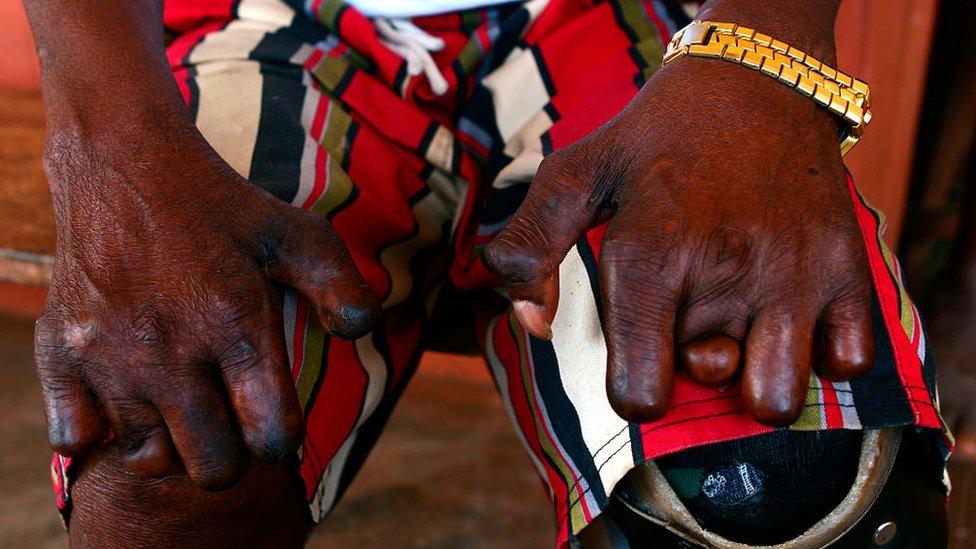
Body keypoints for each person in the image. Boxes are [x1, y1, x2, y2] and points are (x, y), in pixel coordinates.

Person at [23, 0, 951, 546]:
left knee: (783, 474)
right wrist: (111, 147)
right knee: (170, 444)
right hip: (265, 15)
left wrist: (768, 48)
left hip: (628, 21)